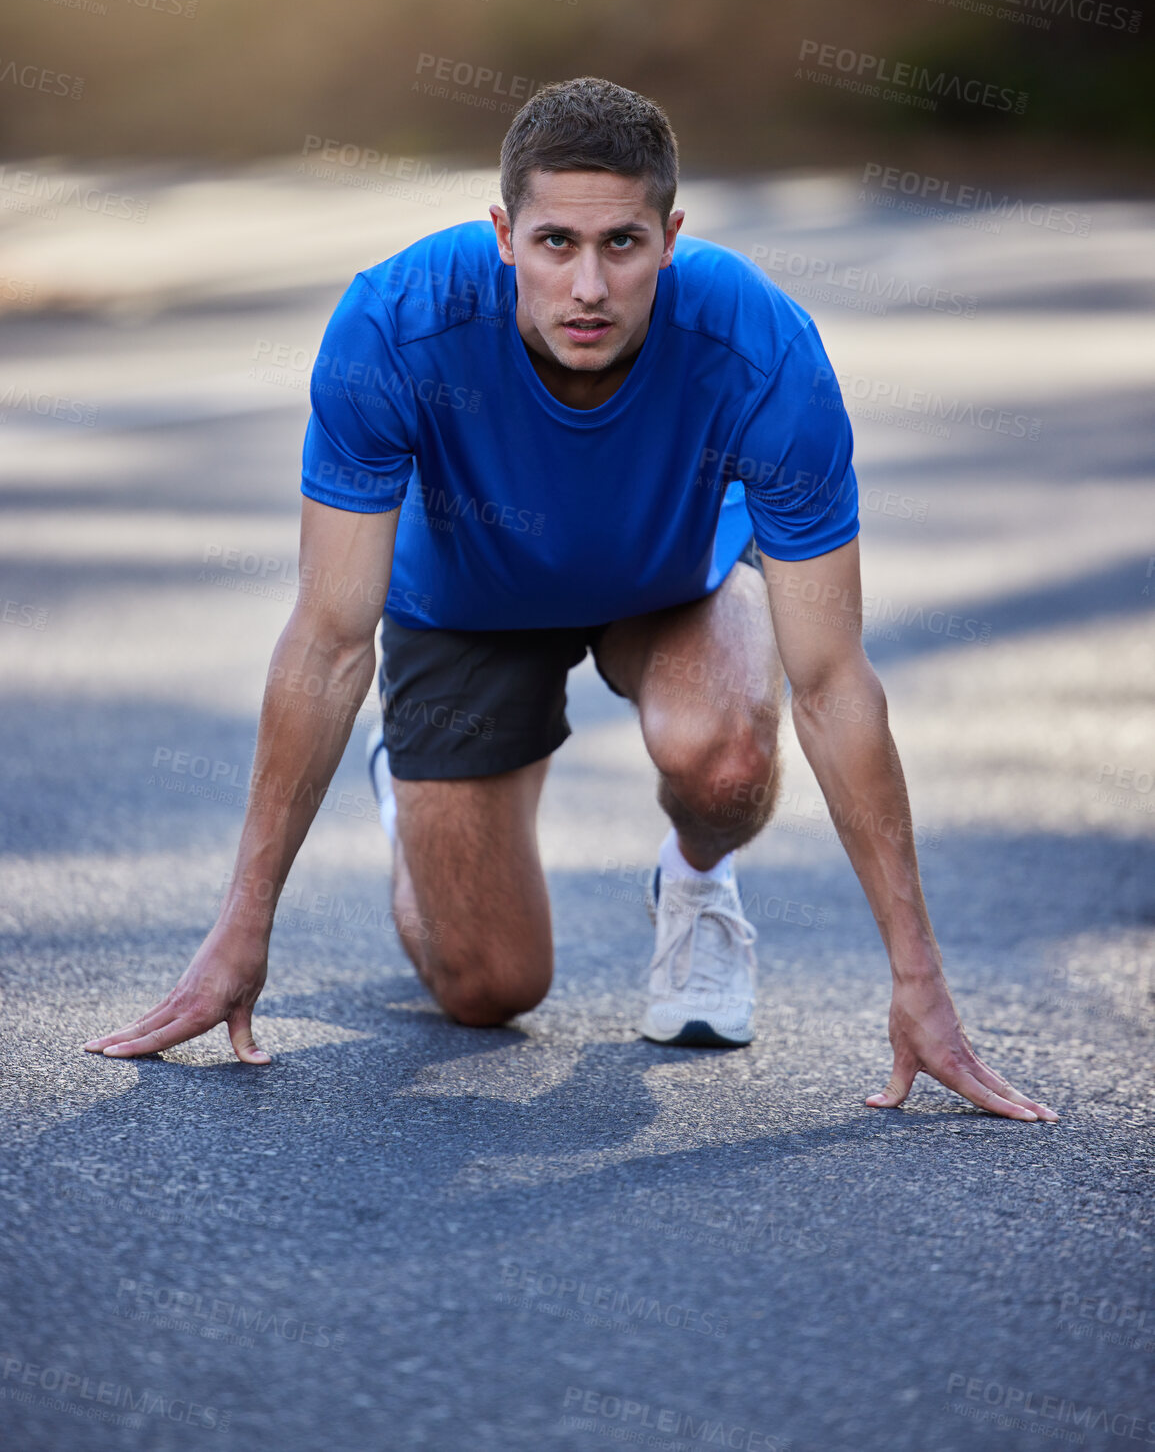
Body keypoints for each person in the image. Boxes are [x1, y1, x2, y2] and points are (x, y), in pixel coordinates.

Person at [86, 77, 1058, 1122]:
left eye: (623, 245)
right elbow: (328, 641)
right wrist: (243, 926)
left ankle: (693, 886)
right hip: (467, 600)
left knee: (727, 755)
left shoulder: (764, 353)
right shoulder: (393, 324)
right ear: (503, 233)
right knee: (491, 990)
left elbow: (832, 683)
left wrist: (921, 984)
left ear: (671, 236)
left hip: (667, 584)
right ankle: (409, 798)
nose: (588, 286)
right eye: (555, 244)